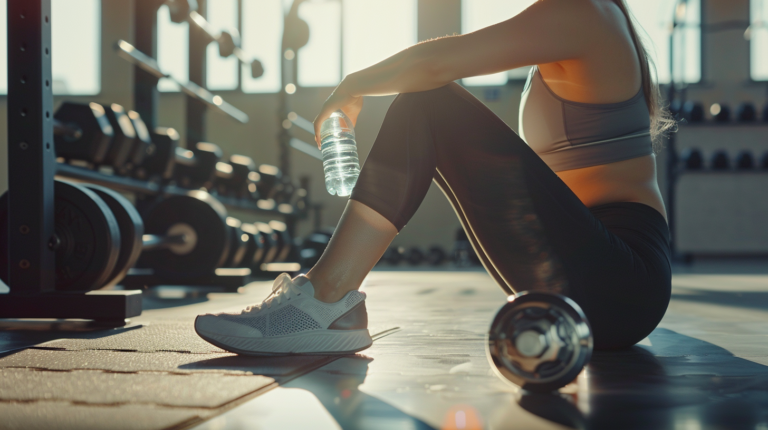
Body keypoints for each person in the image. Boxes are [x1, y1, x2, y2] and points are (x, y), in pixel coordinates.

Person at [194, 0, 674, 355]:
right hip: (601, 281)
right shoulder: (586, 16)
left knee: (428, 101)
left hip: (619, 281)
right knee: (428, 103)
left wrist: (352, 85)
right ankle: (331, 301)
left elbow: (437, 65)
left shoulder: (582, 12)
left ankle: (326, 297)